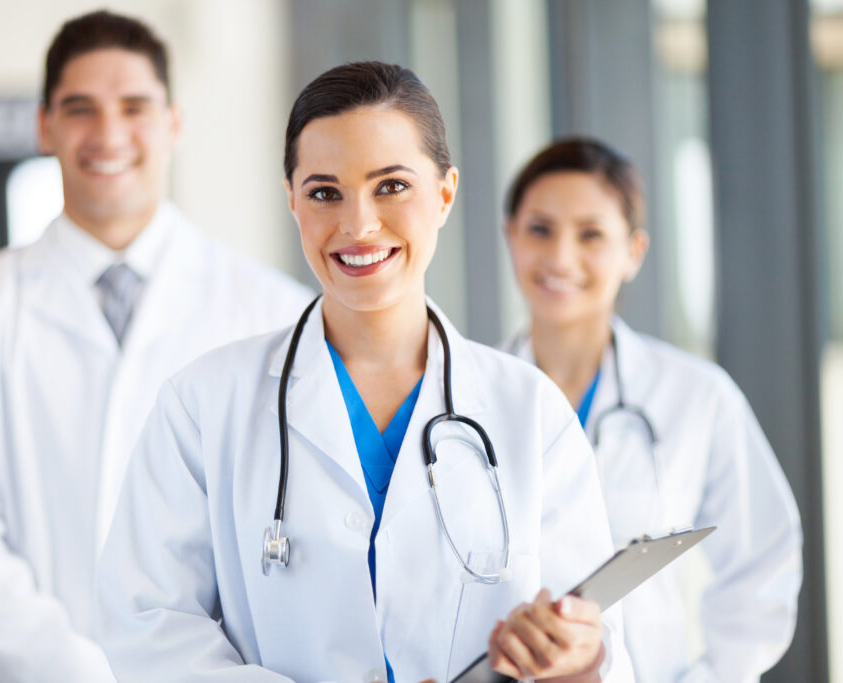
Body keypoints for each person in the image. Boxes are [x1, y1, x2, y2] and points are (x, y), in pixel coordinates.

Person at [95, 62, 634, 682]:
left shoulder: (529, 411)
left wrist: (576, 656)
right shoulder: (204, 404)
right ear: (292, 200)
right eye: (326, 192)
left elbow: (601, 645)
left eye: (391, 187)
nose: (359, 225)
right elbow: (148, 623)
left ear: (445, 193)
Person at [0, 10, 311, 682]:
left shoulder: (275, 314)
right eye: (80, 109)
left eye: (134, 107)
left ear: (174, 123)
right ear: (45, 126)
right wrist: (80, 670)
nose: (109, 133)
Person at [502, 137, 802, 682]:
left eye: (591, 234)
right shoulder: (471, 402)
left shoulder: (695, 396)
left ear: (634, 252)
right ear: (510, 237)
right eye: (540, 229)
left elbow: (764, 559)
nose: (560, 258)